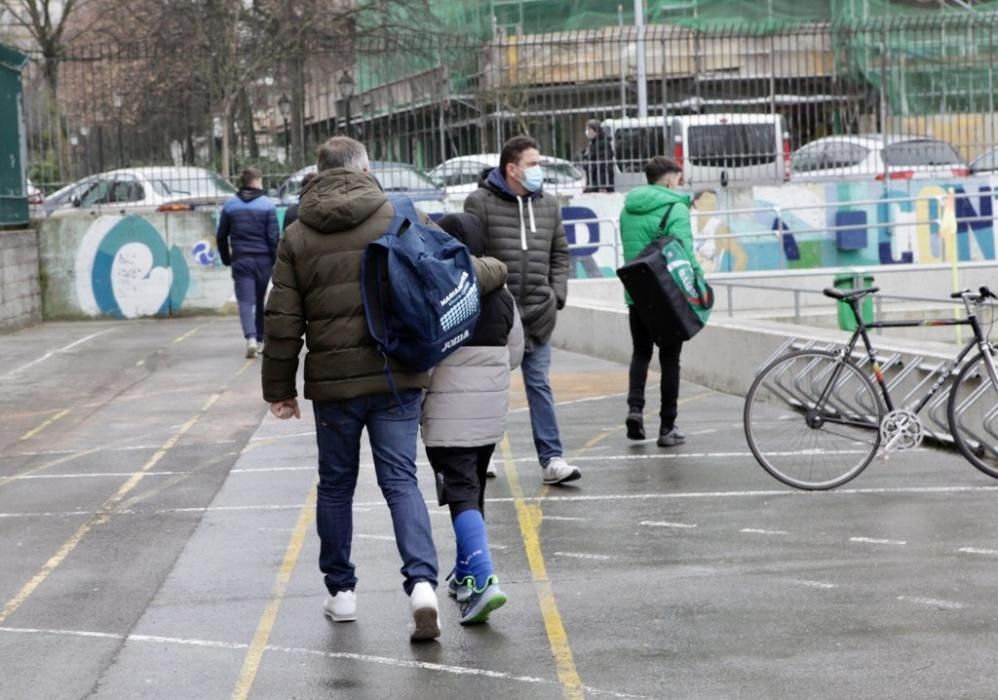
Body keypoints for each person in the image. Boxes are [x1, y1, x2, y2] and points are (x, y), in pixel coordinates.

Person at [262, 136, 507, 642]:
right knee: (400, 481)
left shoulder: (298, 232)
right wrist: (497, 271)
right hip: (398, 372)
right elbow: (447, 270)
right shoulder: (398, 211)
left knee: (335, 485)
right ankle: (421, 585)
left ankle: (342, 594)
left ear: (317, 171)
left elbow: (282, 320)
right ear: (365, 167)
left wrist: (279, 388)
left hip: (333, 384)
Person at [423, 212, 524, 625]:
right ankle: (465, 574)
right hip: (488, 416)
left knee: (461, 494)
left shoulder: (438, 292)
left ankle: (484, 582)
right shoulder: (502, 295)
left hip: (448, 416)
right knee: (473, 489)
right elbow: (516, 352)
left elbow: (423, 357)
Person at [464, 135, 581, 485]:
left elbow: (561, 254)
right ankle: (483, 453)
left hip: (539, 312)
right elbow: (470, 256)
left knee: (539, 385)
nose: (539, 170)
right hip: (497, 315)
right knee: (491, 386)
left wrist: (556, 294)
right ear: (511, 168)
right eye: (533, 164)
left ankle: (552, 459)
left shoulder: (549, 205)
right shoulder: (479, 203)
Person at [619, 156, 704, 447]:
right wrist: (700, 284)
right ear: (669, 180)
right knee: (670, 359)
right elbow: (684, 254)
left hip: (637, 293)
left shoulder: (627, 210)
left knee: (640, 353)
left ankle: (635, 410)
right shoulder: (675, 207)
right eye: (679, 179)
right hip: (667, 295)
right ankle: (667, 427)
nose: (681, 185)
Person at [216, 166, 279, 358]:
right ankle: (260, 340)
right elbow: (273, 238)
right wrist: (276, 262)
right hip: (263, 261)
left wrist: (227, 258)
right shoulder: (267, 205)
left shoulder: (230, 206)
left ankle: (250, 338)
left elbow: (221, 236)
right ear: (257, 181)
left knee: (244, 301)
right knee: (261, 301)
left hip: (241, 260)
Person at [582, 119, 615, 193]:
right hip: (594, 181)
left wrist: (602, 185)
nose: (587, 132)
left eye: (588, 129)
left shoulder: (602, 143)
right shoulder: (593, 143)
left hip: (599, 184)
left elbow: (603, 166)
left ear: (595, 130)